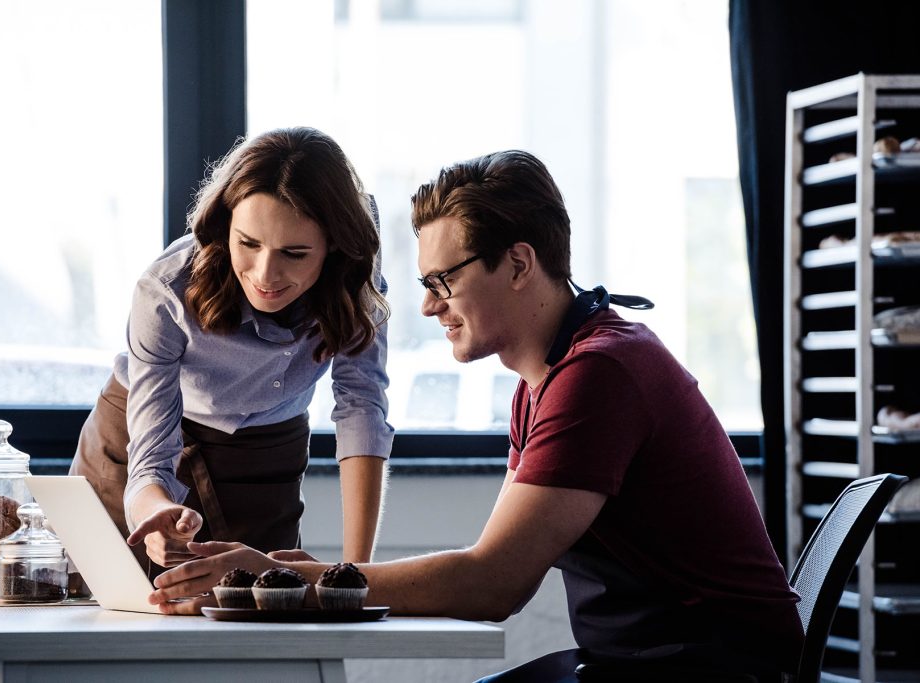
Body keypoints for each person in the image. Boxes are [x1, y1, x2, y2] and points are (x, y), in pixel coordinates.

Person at [145, 150, 803, 682]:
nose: (429, 307)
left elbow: (491, 584)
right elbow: (489, 566)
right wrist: (317, 577)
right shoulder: (547, 380)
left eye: (443, 281)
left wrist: (289, 577)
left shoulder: (599, 376)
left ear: (518, 263)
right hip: (638, 665)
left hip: (712, 672)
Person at [69, 127, 393, 575]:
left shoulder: (357, 273)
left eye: (295, 253)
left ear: (334, 245)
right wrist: (153, 511)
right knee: (111, 616)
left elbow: (361, 408)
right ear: (226, 225)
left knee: (269, 620)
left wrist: (359, 574)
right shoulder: (166, 290)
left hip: (267, 451)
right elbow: (150, 459)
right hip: (136, 435)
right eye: (248, 244)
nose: (265, 273)